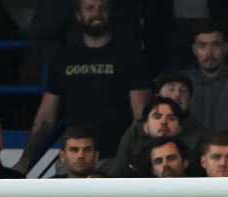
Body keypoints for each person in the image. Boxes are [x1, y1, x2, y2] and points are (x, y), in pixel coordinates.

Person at [16, 0, 150, 165]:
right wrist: (25, 160)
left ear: (110, 12)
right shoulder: (63, 60)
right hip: (74, 160)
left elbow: (140, 118)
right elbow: (44, 119)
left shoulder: (131, 58)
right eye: (89, 8)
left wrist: (130, 161)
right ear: (78, 15)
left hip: (115, 160)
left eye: (102, 7)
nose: (97, 13)